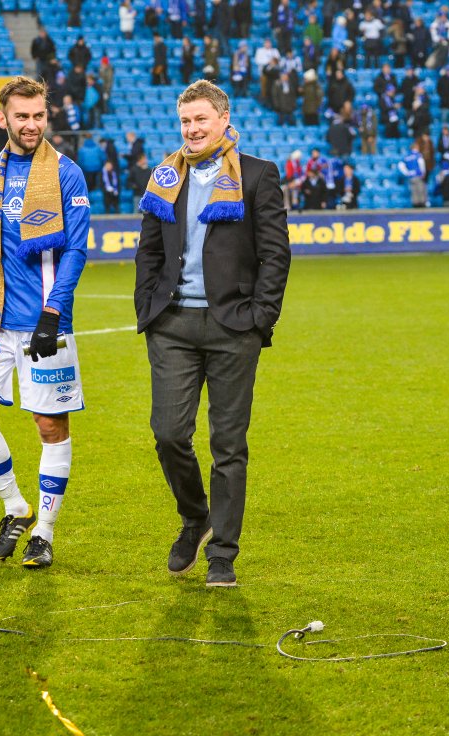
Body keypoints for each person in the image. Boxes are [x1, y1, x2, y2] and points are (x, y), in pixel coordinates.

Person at [134, 79, 291, 586]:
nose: (192, 129)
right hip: (173, 325)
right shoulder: (165, 176)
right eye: (185, 121)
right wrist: (148, 309)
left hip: (233, 327)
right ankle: (194, 516)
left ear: (224, 119)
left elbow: (276, 254)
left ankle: (222, 554)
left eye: (200, 119)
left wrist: (260, 318)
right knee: (168, 434)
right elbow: (149, 251)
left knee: (229, 445)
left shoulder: (258, 174)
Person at [0, 76, 91, 569]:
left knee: (49, 425)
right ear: (3, 118)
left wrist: (54, 312)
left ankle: (45, 533)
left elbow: (75, 250)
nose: (32, 124)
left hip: (44, 321)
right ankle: (16, 507)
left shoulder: (67, 174)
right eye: (22, 116)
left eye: (38, 116)